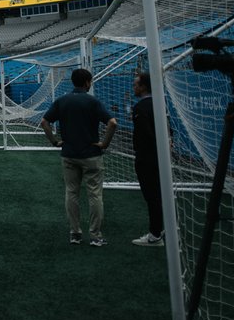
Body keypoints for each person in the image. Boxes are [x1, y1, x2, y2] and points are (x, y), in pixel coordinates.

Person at [40, 68, 118, 247]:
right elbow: (112, 123)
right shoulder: (92, 102)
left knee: (72, 193)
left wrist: (54, 141)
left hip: (69, 154)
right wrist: (104, 143)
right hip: (91, 154)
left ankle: (75, 233)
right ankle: (95, 235)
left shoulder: (62, 101)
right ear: (87, 82)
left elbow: (44, 122)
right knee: (95, 195)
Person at [130, 72, 165, 246]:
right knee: (159, 195)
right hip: (161, 157)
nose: (133, 87)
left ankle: (155, 235)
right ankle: (161, 229)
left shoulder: (141, 108)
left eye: (136, 84)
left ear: (143, 86)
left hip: (147, 158)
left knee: (152, 196)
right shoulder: (159, 104)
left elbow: (146, 135)